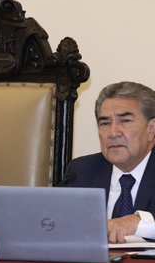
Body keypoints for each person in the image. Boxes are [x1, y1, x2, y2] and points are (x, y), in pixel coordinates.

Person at [61, 81, 155, 243]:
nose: (113, 133)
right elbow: (60, 225)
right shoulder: (81, 171)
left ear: (151, 129)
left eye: (125, 121)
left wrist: (138, 223)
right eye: (105, 123)